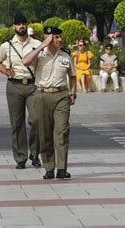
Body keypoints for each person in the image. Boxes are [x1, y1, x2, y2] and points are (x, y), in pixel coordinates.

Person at [23, 26, 77, 180]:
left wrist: (73, 93)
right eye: (56, 37)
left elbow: (72, 76)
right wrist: (41, 45)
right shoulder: (38, 54)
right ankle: (48, 167)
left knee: (62, 132)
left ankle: (61, 168)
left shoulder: (65, 55)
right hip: (42, 95)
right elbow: (25, 62)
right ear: (48, 38)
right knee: (44, 133)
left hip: (61, 96)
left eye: (60, 37)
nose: (59, 40)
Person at [0, 14, 41, 169]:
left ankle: (35, 153)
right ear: (13, 27)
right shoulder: (6, 45)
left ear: (27, 25)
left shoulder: (36, 43)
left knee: (36, 120)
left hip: (33, 86)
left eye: (23, 24)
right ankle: (21, 157)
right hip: (14, 86)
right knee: (17, 123)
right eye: (18, 24)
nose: (21, 26)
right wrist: (5, 71)